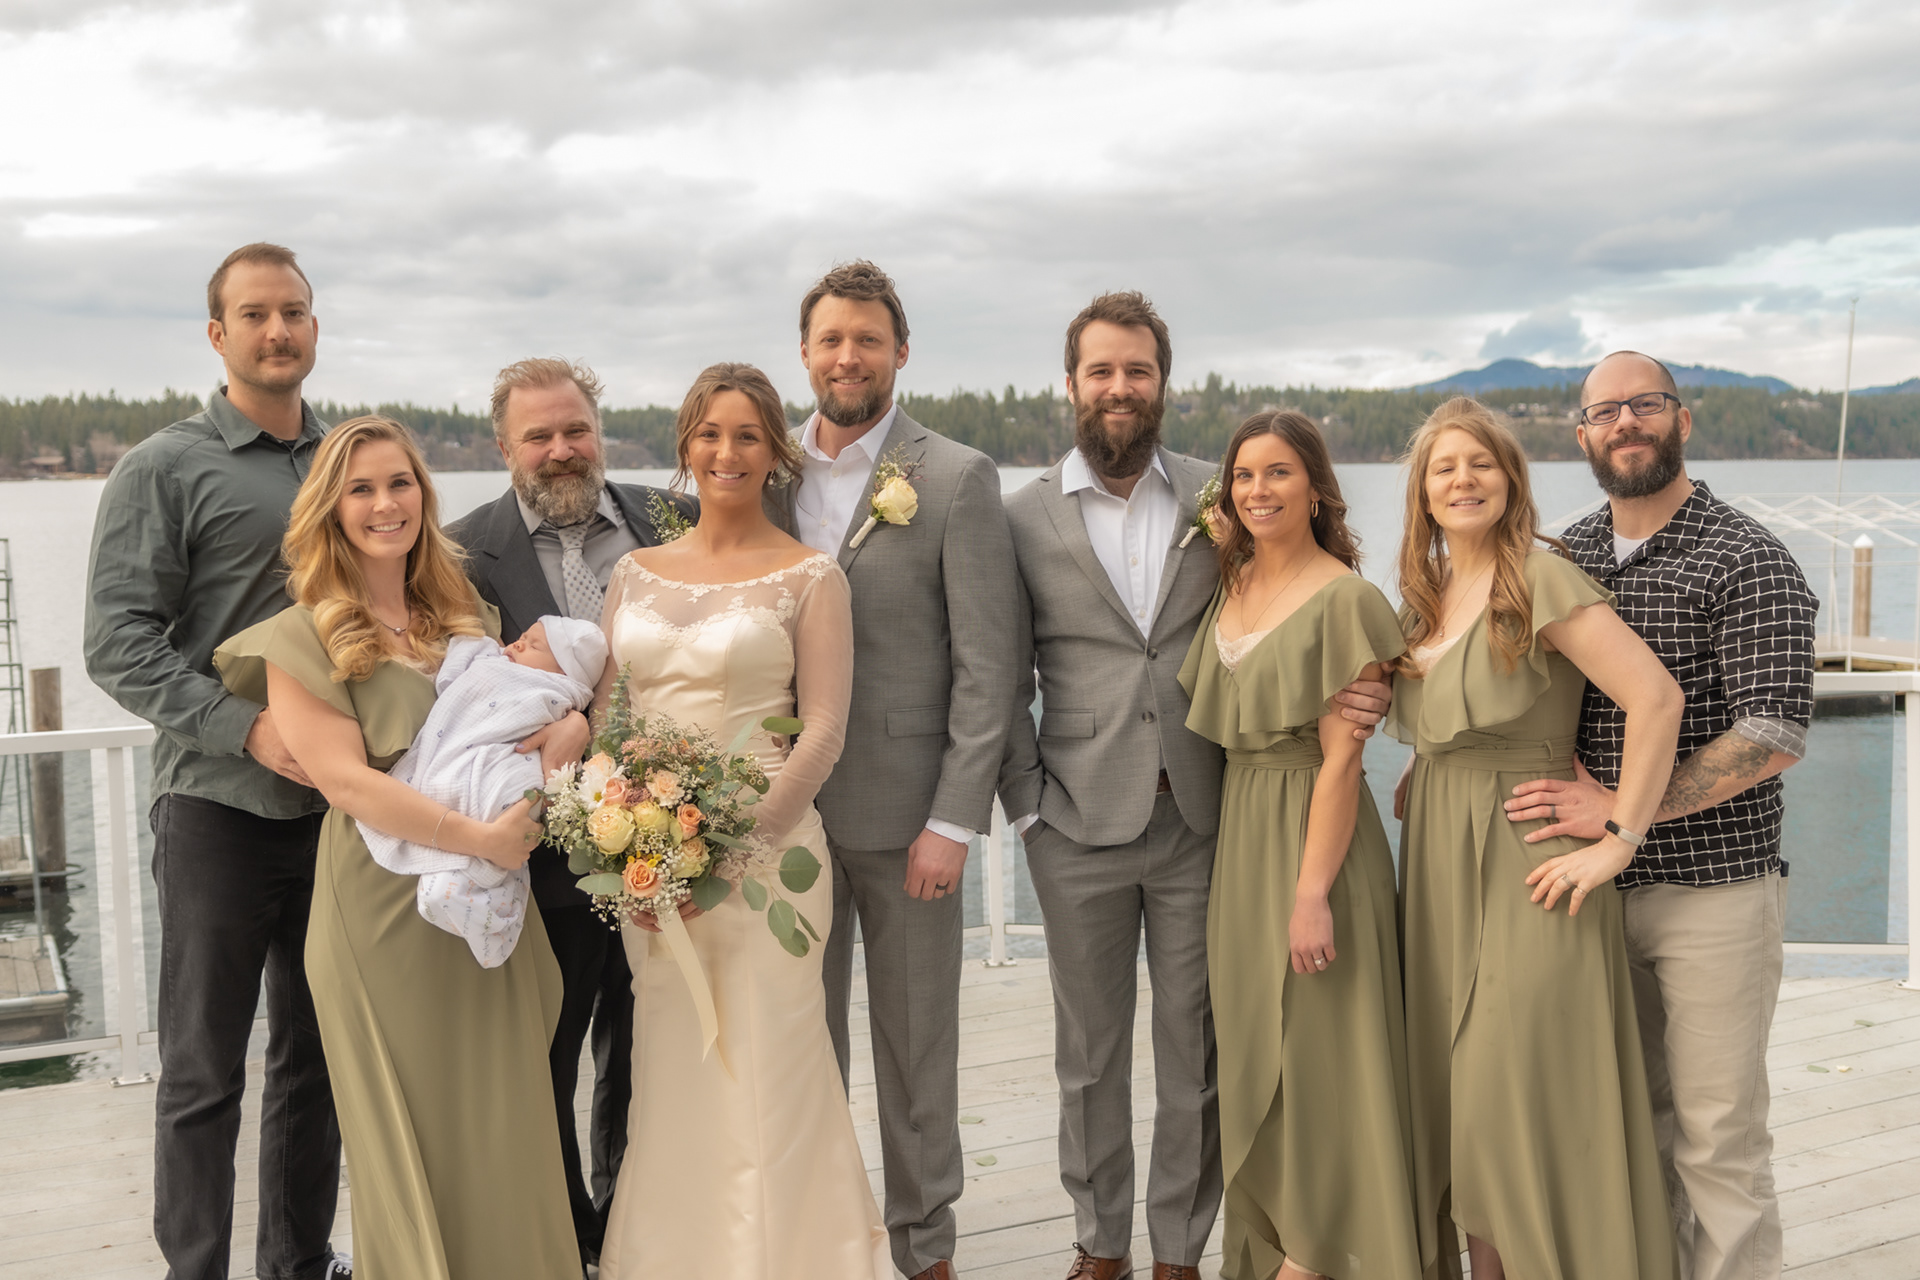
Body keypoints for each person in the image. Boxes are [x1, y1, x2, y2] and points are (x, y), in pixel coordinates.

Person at [997, 295, 1389, 1280]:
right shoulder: (1022, 515)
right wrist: (1027, 806)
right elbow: (997, 672)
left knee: (1199, 1049)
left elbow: (1302, 589)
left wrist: (1365, 683)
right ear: (1072, 383)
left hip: (1207, 818)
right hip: (1073, 818)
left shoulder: (1222, 499)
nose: (1120, 387)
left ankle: (1180, 1250)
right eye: (1101, 370)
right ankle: (1101, 1244)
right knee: (1088, 1053)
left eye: (1138, 370)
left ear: (1162, 382)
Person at [213, 415, 583, 1277]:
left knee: (510, 1126)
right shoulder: (301, 635)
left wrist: (571, 731)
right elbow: (346, 783)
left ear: (424, 493)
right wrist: (481, 836)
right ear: (330, 510)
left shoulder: (468, 617)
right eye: (362, 489)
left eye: (400, 483)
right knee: (414, 1138)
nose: (386, 504)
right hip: (382, 912)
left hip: (489, 894)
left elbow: (522, 724)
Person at [1503, 352, 1816, 1280]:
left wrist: (1623, 811)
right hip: (1588, 895)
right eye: (1605, 412)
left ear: (1683, 421)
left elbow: (1773, 732)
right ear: (1581, 435)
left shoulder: (1748, 557)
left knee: (1719, 1139)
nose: (1625, 423)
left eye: (1645, 405)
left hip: (1713, 892)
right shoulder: (1568, 554)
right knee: (1631, 1131)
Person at [82, 242, 350, 1280]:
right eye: (255, 314)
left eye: (294, 312)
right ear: (217, 333)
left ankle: (297, 1263)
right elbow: (118, 642)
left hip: (340, 813)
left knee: (315, 1063)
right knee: (202, 1071)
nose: (278, 330)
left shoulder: (347, 462)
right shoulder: (164, 466)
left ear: (314, 327)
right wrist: (247, 729)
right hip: (218, 809)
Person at [594, 362, 888, 1279]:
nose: (727, 452)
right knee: (673, 1073)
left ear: (775, 454)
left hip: (769, 867)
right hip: (652, 866)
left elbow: (824, 730)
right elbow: (609, 715)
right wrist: (627, 845)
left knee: (769, 1069)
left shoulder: (811, 576)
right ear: (687, 445)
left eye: (748, 436)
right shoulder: (632, 573)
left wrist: (729, 853)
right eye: (711, 434)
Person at [1389, 397, 1684, 1279]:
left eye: (1481, 463)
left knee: (1513, 1091)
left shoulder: (1541, 578)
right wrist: (1427, 765)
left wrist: (1621, 836)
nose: (1463, 479)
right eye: (1445, 467)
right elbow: (1451, 713)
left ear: (1511, 481)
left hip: (1529, 861)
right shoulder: (1425, 597)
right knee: (1463, 1100)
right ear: (1423, 492)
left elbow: (1656, 699)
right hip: (1438, 862)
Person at [773, 261, 1020, 1280]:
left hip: (910, 817)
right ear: (805, 352)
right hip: (780, 821)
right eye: (831, 339)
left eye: (867, 339)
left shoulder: (956, 477)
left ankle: (925, 1248)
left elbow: (989, 667)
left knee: (918, 1051)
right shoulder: (764, 471)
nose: (849, 357)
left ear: (900, 351)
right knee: (799, 1045)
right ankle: (825, 1238)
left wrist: (954, 821)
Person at [445, 357, 692, 1266]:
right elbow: (462, 701)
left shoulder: (676, 519)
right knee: (547, 1055)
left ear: (600, 430)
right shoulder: (460, 554)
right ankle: (568, 1239)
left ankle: (633, 1224)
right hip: (543, 857)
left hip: (680, 840)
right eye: (538, 436)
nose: (560, 450)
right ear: (503, 446)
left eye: (575, 429)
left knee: (653, 1052)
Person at [1178, 411, 1424, 1280]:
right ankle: (1275, 1243)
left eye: (1278, 472)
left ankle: (1319, 1258)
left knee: (1325, 1055)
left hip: (1317, 842)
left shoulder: (1347, 599)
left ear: (1316, 487)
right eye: (1244, 475)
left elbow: (1343, 759)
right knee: (1259, 1054)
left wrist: (1312, 892)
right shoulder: (1233, 579)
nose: (1258, 490)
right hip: (1242, 840)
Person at [355, 616, 608, 969]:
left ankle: (482, 896)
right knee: (470, 797)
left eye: (534, 645)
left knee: (507, 802)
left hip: (508, 762)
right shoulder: (493, 661)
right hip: (467, 751)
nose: (518, 644)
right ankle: (477, 892)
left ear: (564, 673)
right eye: (523, 637)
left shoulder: (553, 692)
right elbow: (452, 676)